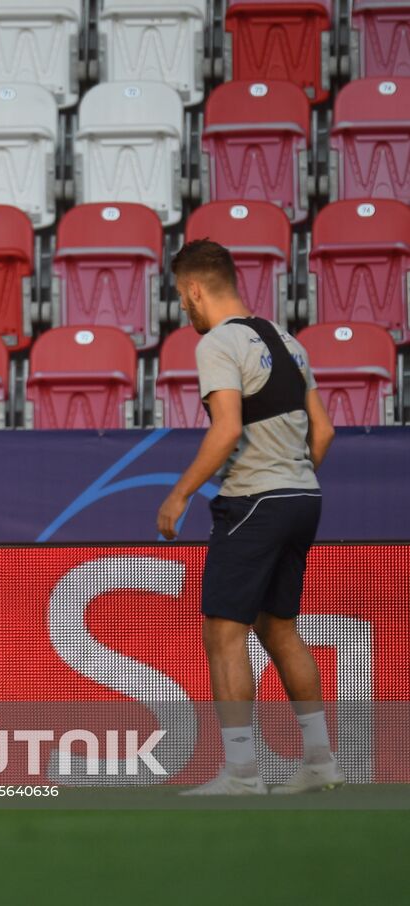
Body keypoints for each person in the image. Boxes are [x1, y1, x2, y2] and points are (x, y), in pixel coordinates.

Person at [158, 239, 342, 795]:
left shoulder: (218, 342)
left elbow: (227, 429)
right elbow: (324, 430)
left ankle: (241, 772)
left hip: (254, 502)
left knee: (223, 631)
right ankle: (320, 763)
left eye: (179, 296)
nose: (181, 308)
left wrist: (179, 494)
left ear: (193, 289)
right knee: (278, 628)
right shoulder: (288, 341)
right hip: (302, 498)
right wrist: (290, 476)